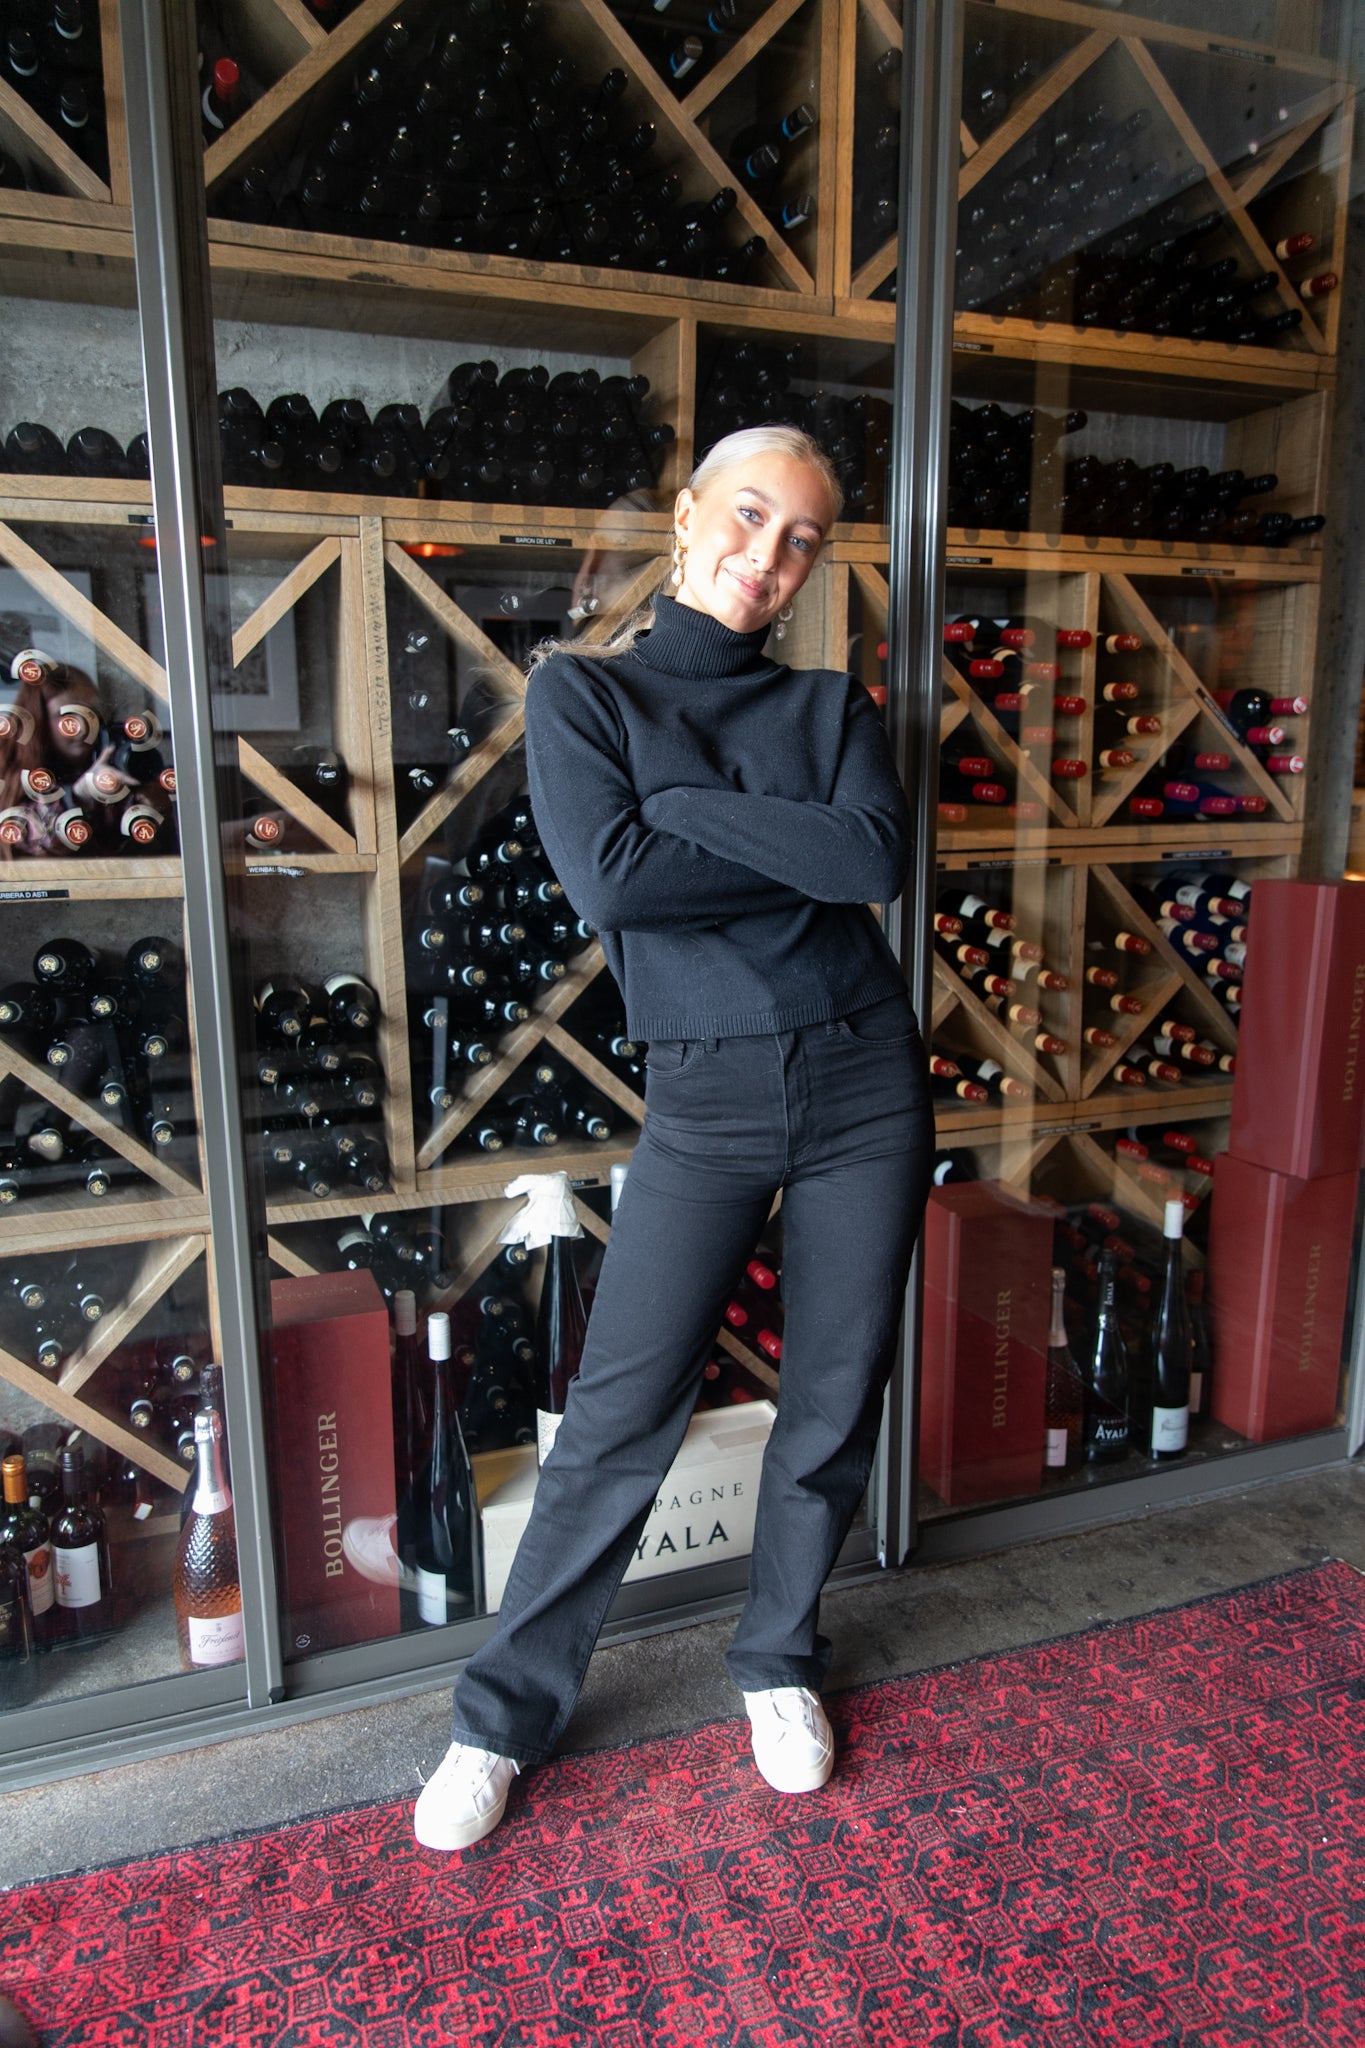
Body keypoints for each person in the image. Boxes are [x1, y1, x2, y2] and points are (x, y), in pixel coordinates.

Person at [414, 424, 934, 1853]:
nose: (768, 556)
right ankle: (498, 1719)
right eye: (750, 517)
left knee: (832, 1395)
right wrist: (777, 837)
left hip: (866, 1080)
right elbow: (614, 880)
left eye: (801, 540)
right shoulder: (583, 693)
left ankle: (777, 1662)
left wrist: (691, 807)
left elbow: (871, 860)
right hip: (705, 1096)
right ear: (690, 514)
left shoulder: (827, 704)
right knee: (617, 1413)